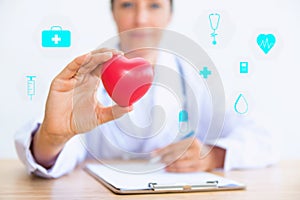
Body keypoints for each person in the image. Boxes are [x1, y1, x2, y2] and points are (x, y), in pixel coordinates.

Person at [15, 0, 277, 178]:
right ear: (113, 12)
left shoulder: (196, 78)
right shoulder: (85, 79)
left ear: (169, 13)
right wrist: (52, 138)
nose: (140, 17)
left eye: (154, 4)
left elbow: (265, 138)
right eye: (128, 4)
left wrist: (213, 156)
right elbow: (61, 153)